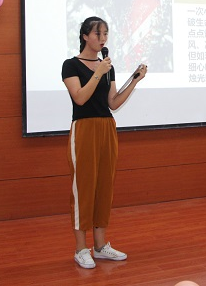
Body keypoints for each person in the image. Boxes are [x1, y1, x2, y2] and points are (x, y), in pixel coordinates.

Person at [62, 16, 148, 269]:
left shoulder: (107, 67)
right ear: (85, 36)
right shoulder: (70, 65)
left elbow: (113, 103)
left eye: (106, 34)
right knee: (83, 188)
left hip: (106, 127)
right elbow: (80, 98)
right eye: (98, 34)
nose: (102, 39)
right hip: (84, 128)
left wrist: (134, 80)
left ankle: (100, 246)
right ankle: (81, 249)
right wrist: (98, 73)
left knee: (103, 186)